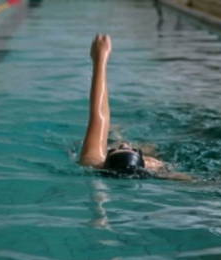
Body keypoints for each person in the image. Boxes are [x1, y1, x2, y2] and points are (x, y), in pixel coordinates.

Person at [79, 34, 191, 180]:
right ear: (147, 164)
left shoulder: (92, 162)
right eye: (132, 149)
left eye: (114, 149)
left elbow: (99, 116)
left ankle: (117, 136)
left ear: (103, 162)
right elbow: (190, 181)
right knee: (149, 147)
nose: (125, 144)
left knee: (115, 134)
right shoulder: (156, 166)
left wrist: (100, 59)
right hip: (154, 166)